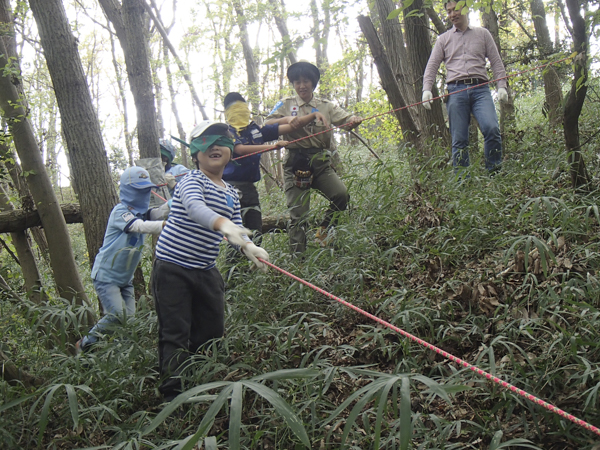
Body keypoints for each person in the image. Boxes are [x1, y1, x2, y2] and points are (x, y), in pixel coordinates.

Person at [151, 120, 270, 402]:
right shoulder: (191, 180)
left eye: (222, 140)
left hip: (205, 269)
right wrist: (221, 224)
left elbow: (238, 227)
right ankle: (174, 396)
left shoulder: (231, 192)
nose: (215, 145)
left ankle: (200, 379)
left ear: (231, 150)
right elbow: (194, 208)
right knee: (175, 330)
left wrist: (249, 247)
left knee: (213, 328)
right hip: (172, 268)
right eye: (207, 141)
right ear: (195, 153)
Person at [265, 61, 362, 253]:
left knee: (341, 195)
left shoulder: (325, 106)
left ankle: (324, 230)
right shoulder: (285, 104)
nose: (302, 85)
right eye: (297, 82)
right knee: (298, 215)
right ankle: (298, 261)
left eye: (306, 81)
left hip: (320, 162)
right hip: (295, 162)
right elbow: (267, 125)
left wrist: (353, 120)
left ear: (313, 83)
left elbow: (346, 120)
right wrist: (286, 120)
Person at [76, 166, 170, 354]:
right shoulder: (121, 211)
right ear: (128, 190)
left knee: (130, 322)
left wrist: (178, 202)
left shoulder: (143, 212)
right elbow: (138, 226)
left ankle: (124, 355)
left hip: (124, 280)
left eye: (146, 190)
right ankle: (85, 343)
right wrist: (167, 225)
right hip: (106, 277)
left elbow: (159, 212)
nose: (143, 195)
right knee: (117, 315)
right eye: (139, 190)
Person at [222, 91, 327, 239]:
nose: (240, 112)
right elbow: (239, 149)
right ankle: (234, 261)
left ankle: (253, 260)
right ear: (228, 113)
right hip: (231, 187)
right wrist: (271, 147)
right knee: (238, 232)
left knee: (255, 230)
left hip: (250, 187)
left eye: (242, 107)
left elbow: (290, 127)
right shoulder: (227, 133)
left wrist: (312, 116)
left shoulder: (255, 130)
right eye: (235, 108)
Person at [422, 1, 508, 175]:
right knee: (460, 139)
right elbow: (431, 66)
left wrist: (501, 86)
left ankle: (495, 173)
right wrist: (426, 89)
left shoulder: (483, 34)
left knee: (491, 128)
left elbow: (497, 62)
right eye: (449, 11)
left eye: (455, 10)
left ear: (466, 9)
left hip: (481, 90)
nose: (452, 14)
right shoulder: (443, 39)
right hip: (456, 91)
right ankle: (463, 182)